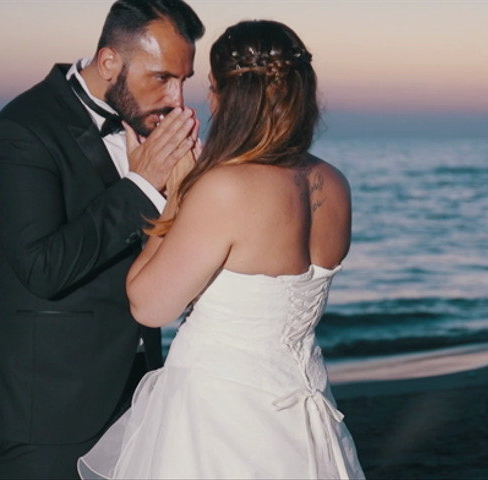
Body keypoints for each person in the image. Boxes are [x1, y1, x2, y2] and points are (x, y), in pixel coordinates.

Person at [77, 20, 365, 479]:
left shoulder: (225, 189)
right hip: (302, 412)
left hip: (220, 415)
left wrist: (176, 195)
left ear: (229, 97)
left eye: (211, 89)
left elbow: (148, 305)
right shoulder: (334, 183)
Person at [0, 1, 204, 478]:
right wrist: (140, 186)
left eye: (184, 79)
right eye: (162, 77)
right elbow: (42, 268)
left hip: (137, 396)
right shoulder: (22, 129)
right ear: (110, 61)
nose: (177, 98)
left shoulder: (152, 128)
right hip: (43, 412)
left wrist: (185, 192)